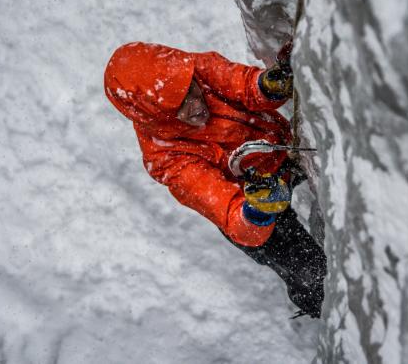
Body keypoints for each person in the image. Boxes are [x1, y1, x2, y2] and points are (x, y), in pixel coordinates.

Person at [103, 41, 326, 318]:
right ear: (155, 117)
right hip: (249, 205)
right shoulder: (167, 158)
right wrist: (257, 211)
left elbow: (244, 85)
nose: (196, 105)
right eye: (180, 106)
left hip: (278, 159)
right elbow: (231, 213)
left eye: (192, 91)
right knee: (311, 274)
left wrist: (268, 86)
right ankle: (325, 309)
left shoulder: (191, 69)